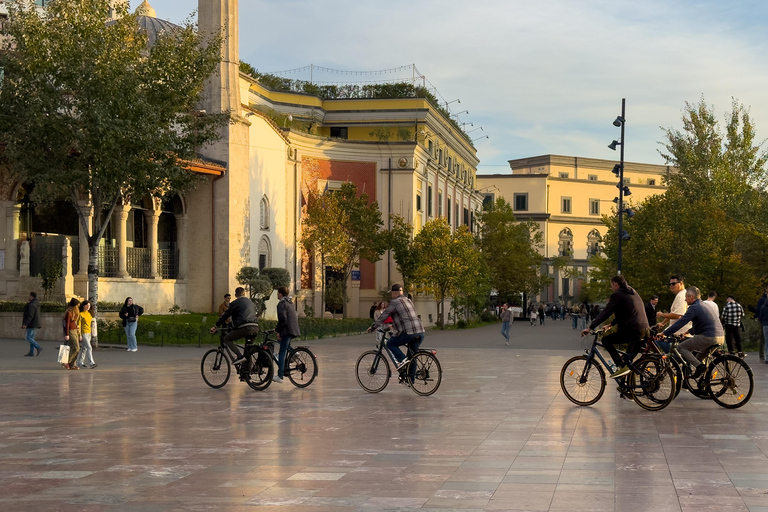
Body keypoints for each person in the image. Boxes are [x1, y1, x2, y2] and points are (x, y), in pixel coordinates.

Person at [581, 275, 649, 379]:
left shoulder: (618, 294)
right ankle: (626, 384)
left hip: (633, 330)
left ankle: (620, 366)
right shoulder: (632, 292)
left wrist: (590, 327)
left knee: (606, 340)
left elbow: (606, 312)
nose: (611, 288)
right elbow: (625, 313)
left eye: (611, 285)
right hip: (644, 329)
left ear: (615, 284)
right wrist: (610, 325)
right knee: (627, 361)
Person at [662, 286, 724, 377]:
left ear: (691, 297)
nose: (685, 300)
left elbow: (681, 322)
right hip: (720, 337)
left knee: (681, 348)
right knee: (699, 358)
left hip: (708, 337)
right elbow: (703, 324)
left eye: (686, 297)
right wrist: (688, 332)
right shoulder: (705, 305)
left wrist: (664, 333)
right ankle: (704, 380)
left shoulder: (694, 307)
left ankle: (701, 368)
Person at [367, 284, 424, 369]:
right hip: (420, 332)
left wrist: (373, 327)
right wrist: (393, 325)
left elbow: (384, 315)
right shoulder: (409, 300)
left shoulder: (394, 302)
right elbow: (406, 318)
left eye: (391, 293)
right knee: (412, 357)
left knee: (390, 343)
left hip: (408, 333)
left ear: (394, 293)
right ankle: (410, 377)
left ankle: (402, 359)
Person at [210, 286, 259, 363]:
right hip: (255, 327)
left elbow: (225, 315)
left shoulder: (235, 303)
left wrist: (216, 326)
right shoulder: (251, 303)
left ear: (236, 295)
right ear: (244, 294)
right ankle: (248, 369)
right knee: (248, 350)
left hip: (244, 327)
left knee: (227, 339)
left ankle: (239, 356)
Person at [274, 286, 300, 383]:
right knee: (283, 343)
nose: (277, 295)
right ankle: (294, 352)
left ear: (280, 294)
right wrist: (277, 329)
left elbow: (283, 319)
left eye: (278, 293)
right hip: (294, 329)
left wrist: (279, 331)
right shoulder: (290, 303)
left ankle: (280, 376)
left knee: (282, 352)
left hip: (287, 330)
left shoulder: (281, 304)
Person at [77, 301, 97, 369]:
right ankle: (91, 363)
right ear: (83, 306)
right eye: (86, 305)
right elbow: (79, 325)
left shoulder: (89, 314)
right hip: (84, 333)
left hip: (89, 332)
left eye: (89, 305)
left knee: (84, 348)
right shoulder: (80, 314)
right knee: (89, 347)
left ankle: (80, 362)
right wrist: (79, 335)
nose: (88, 306)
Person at [21, 291, 42, 357]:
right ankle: (31, 352)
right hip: (34, 323)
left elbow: (30, 315)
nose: (28, 297)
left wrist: (25, 324)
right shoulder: (36, 304)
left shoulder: (32, 305)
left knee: (28, 337)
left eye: (29, 296)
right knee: (31, 338)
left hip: (31, 323)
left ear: (31, 297)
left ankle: (38, 347)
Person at [62, 298, 81, 370]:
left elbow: (75, 323)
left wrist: (78, 332)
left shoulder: (75, 313)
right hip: (70, 331)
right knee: (76, 348)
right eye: (77, 305)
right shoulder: (69, 313)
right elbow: (67, 324)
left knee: (75, 348)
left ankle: (72, 364)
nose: (78, 307)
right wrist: (67, 334)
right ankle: (66, 362)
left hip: (75, 330)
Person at [757, 285, 768, 362]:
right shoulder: (762, 300)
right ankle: (761, 356)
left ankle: (765, 356)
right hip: (764, 321)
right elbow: (758, 310)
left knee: (765, 340)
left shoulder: (762, 301)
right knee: (763, 339)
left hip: (764, 321)